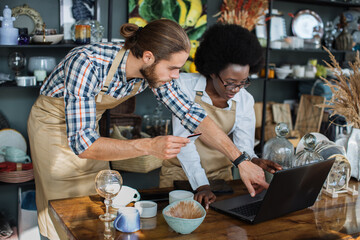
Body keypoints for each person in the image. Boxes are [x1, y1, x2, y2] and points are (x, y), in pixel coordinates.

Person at [27, 19, 268, 240]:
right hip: (53, 129)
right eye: (173, 69)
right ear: (149, 57)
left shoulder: (153, 73)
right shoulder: (87, 62)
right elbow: (82, 143)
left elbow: (192, 115)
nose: (176, 76)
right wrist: (149, 146)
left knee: (101, 200)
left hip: (89, 129)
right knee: (63, 210)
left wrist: (241, 161)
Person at [159, 24, 282, 208]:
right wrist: (202, 185)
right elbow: (184, 143)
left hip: (221, 181)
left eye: (243, 82)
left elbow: (243, 146)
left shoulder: (244, 100)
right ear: (212, 72)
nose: (236, 90)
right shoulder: (184, 86)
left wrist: (253, 160)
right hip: (180, 177)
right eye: (230, 83)